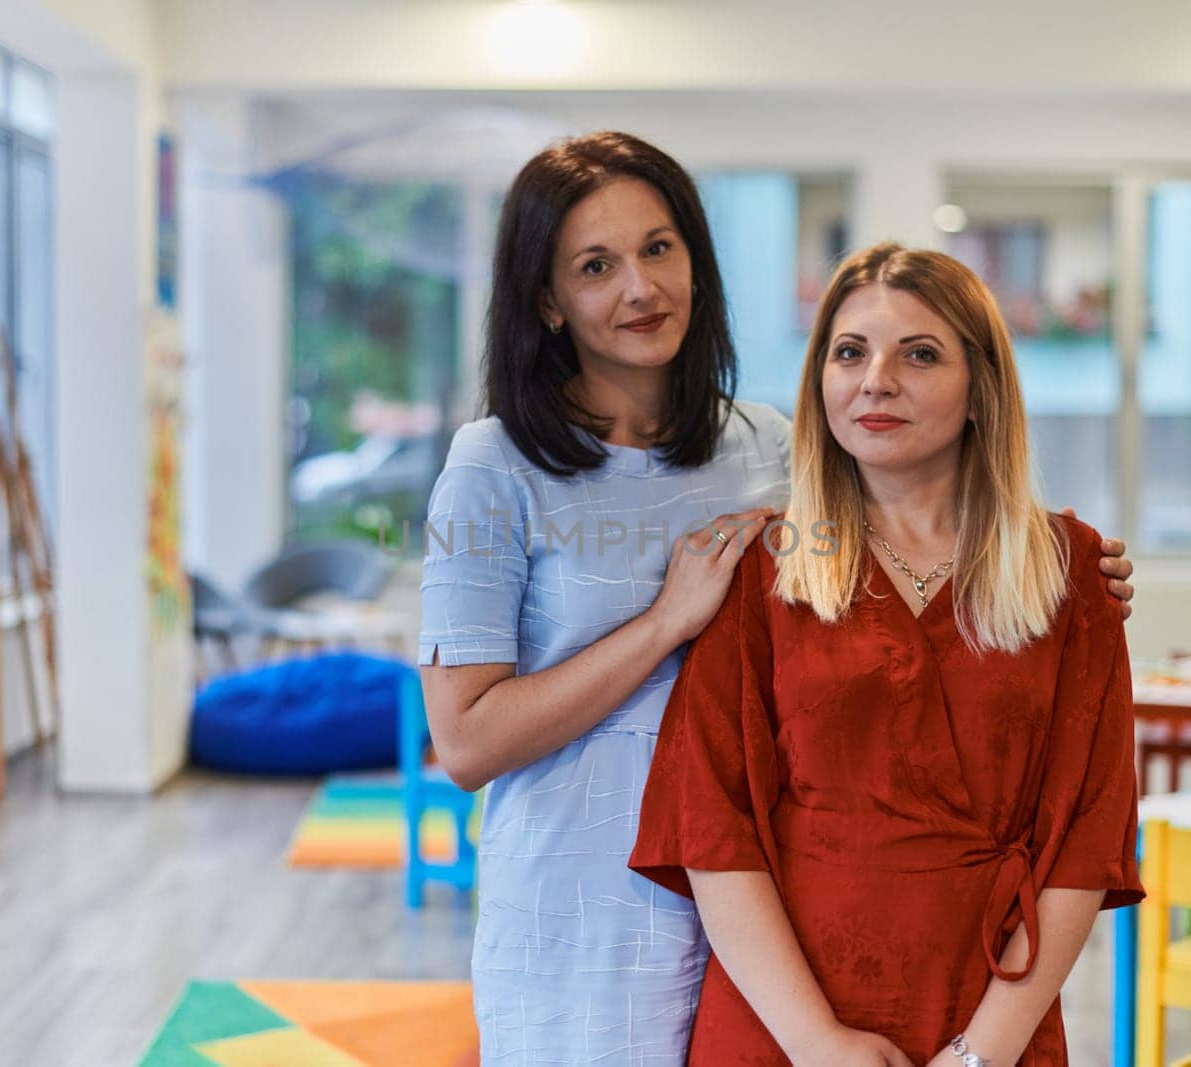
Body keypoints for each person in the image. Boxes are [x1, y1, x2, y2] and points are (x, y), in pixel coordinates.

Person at [418, 134, 1135, 1063]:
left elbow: (911, 496)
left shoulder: (761, 446)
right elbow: (466, 741)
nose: (640, 286)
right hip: (588, 910)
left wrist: (1066, 565)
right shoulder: (492, 463)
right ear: (547, 300)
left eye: (659, 248)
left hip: (771, 927)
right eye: (596, 265)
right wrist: (667, 623)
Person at [629, 242, 1143, 1066]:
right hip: (783, 1018)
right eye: (849, 352)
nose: (876, 379)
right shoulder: (763, 567)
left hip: (990, 1011)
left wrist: (981, 1051)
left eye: (921, 353)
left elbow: (1087, 837)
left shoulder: (1072, 571)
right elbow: (710, 827)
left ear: (983, 388)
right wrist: (818, 1042)